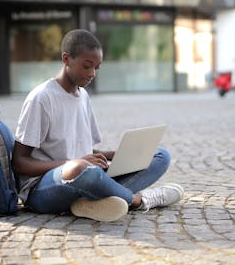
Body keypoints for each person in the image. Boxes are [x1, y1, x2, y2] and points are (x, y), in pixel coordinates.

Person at [12, 29, 183, 222]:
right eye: (87, 66)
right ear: (66, 59)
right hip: (43, 190)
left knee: (160, 155)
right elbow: (20, 162)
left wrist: (117, 155)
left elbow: (81, 148)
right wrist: (73, 163)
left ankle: (89, 201)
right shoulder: (42, 98)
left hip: (86, 175)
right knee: (82, 170)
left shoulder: (83, 96)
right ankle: (138, 200)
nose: (92, 73)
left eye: (97, 68)